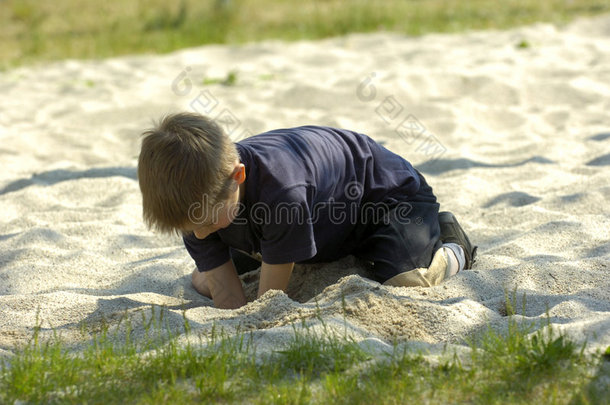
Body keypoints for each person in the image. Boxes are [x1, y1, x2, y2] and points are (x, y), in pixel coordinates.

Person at [137, 112, 477, 309]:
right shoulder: (195, 201)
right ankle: (296, 248)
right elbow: (232, 302)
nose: (199, 234)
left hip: (385, 201)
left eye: (207, 221)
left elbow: (270, 304)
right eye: (188, 227)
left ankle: (452, 241)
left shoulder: (282, 193)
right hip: (318, 220)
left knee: (409, 282)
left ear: (237, 177)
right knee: (202, 278)